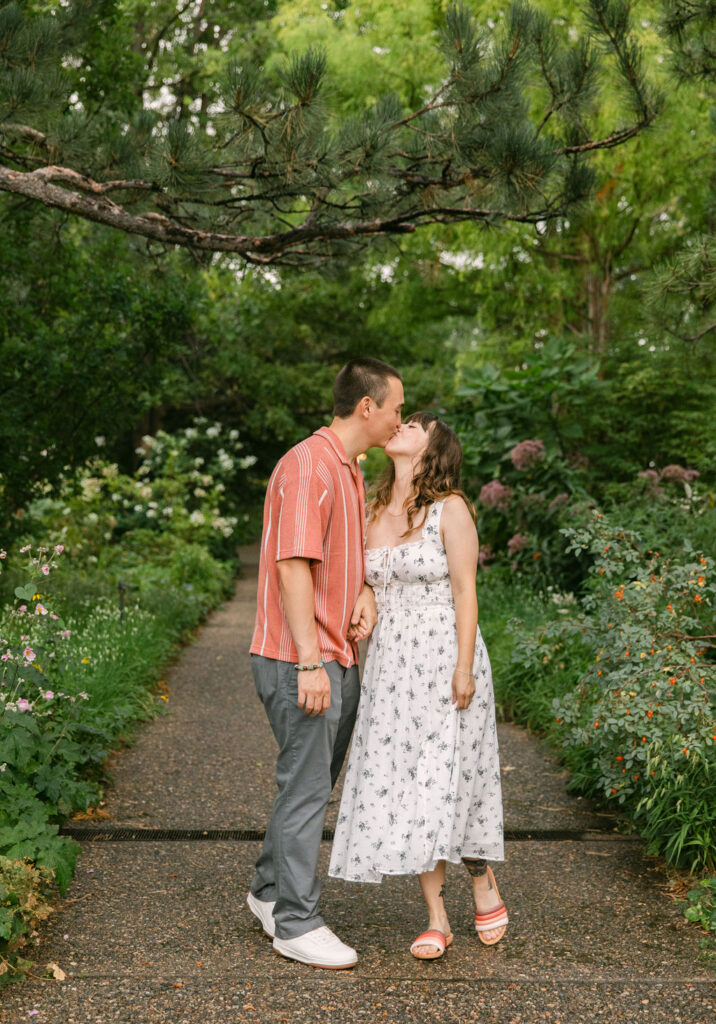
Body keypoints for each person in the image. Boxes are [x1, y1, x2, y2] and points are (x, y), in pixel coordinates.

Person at [329, 412, 507, 958]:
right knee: (409, 788)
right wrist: (364, 596)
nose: (402, 426)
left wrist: (463, 668)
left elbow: (465, 593)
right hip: (389, 669)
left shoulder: (450, 510)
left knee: (452, 784)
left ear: (434, 448)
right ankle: (436, 918)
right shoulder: (371, 508)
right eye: (401, 420)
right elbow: (359, 579)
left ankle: (480, 875)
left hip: (445, 661)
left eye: (416, 425)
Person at [247, 358, 404, 969]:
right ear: (367, 406)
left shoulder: (350, 469)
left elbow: (338, 555)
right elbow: (291, 565)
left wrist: (362, 590)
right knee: (308, 789)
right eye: (395, 407)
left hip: (337, 656)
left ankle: (267, 892)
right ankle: (295, 921)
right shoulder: (307, 465)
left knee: (307, 786)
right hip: (300, 660)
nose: (398, 419)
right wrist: (310, 664)